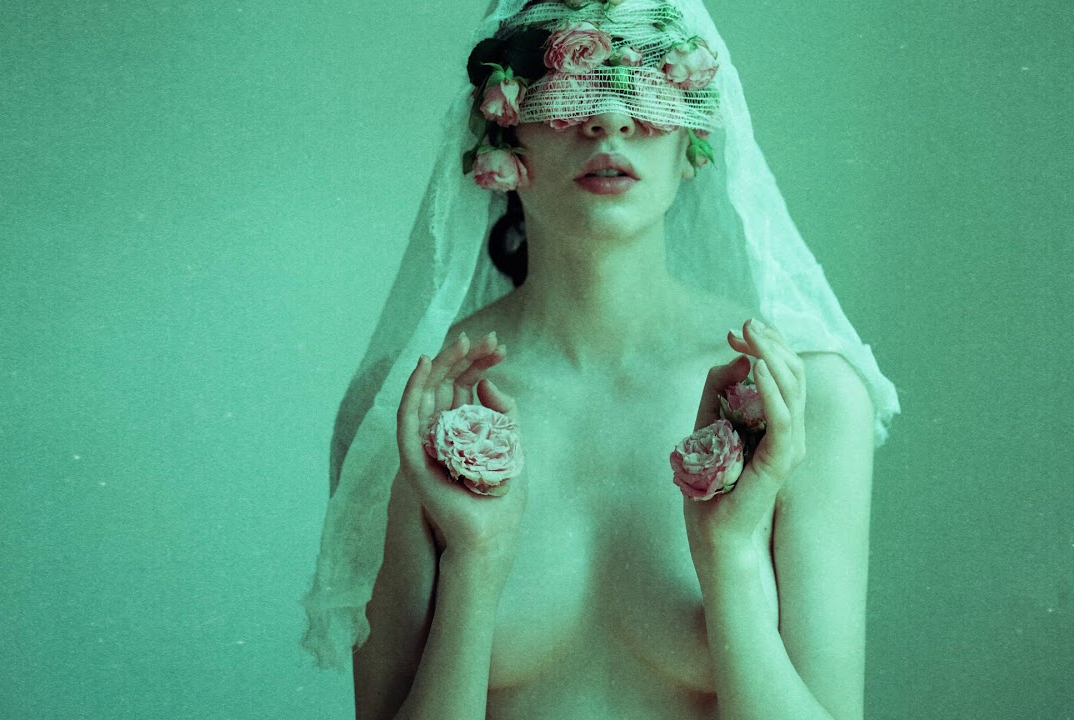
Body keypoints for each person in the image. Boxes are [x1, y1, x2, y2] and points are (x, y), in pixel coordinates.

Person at [301, 1, 902, 718]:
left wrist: (731, 556)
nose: (610, 121)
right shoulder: (417, 406)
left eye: (650, 85)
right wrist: (475, 563)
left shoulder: (799, 396)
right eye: (567, 87)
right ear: (502, 131)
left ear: (693, 138)